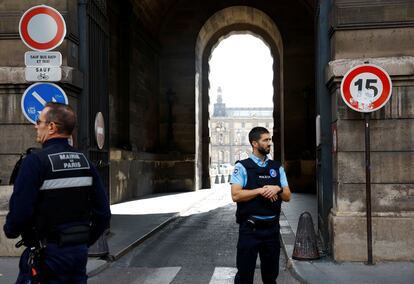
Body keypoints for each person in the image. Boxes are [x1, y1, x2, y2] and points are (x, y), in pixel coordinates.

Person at [4, 102, 111, 283]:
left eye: (39, 121)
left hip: (46, 254)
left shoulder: (35, 162)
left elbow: (21, 212)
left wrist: (11, 230)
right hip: (77, 253)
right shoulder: (84, 161)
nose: (35, 125)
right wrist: (83, 242)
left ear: (51, 127)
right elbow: (103, 213)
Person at [230, 126, 291, 284]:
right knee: (244, 276)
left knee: (271, 277)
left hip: (272, 229)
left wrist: (277, 188)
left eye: (270, 139)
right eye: (265, 140)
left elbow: (287, 196)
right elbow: (235, 195)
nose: (269, 143)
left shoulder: (277, 167)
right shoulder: (242, 167)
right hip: (250, 229)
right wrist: (259, 191)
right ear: (254, 143)